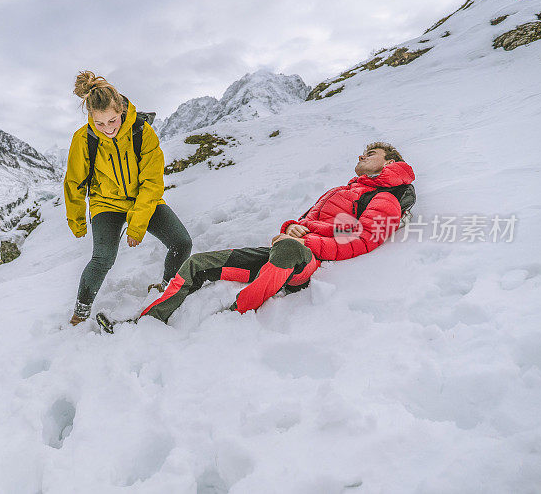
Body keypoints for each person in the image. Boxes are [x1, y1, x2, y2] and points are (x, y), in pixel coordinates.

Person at [131, 142, 415, 326]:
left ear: (389, 163)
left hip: (307, 260)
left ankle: (233, 318)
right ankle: (145, 322)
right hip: (286, 254)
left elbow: (362, 238)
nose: (361, 155)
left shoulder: (385, 198)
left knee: (289, 250)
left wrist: (302, 237)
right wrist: (290, 228)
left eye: (371, 154)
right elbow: (305, 221)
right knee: (197, 263)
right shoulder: (344, 190)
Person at [64, 71, 192, 326]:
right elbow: (74, 183)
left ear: (121, 109)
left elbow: (152, 182)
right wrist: (76, 220)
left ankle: (166, 289)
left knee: (182, 243)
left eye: (112, 120)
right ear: (91, 117)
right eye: (99, 124)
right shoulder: (83, 139)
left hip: (141, 200)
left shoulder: (142, 132)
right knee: (103, 258)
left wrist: (137, 223)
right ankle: (80, 313)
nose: (108, 129)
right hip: (106, 204)